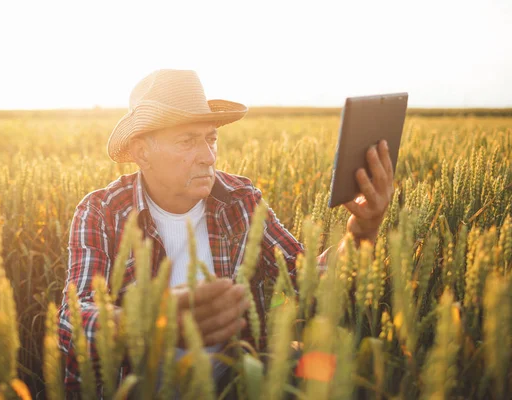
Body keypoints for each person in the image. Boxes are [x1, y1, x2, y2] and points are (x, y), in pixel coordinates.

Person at [57, 69, 395, 398]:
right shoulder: (101, 211)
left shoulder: (240, 200)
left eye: (210, 138)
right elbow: (74, 320)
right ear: (142, 152)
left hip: (235, 384)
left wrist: (362, 231)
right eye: (187, 140)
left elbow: (304, 278)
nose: (208, 156)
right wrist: (147, 319)